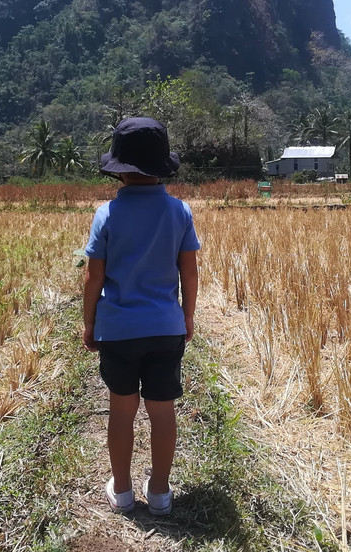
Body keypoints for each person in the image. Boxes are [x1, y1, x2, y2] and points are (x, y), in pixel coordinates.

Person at [82, 116, 200, 516]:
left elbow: (94, 276)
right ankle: (162, 493)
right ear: (161, 166)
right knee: (162, 410)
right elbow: (189, 271)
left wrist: (89, 323)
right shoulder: (180, 212)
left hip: (118, 330)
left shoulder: (106, 215)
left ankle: (123, 490)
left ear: (120, 168)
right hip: (165, 328)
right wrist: (187, 317)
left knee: (121, 409)